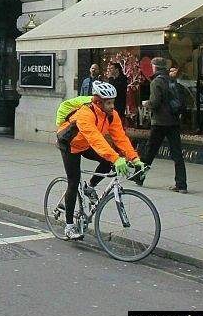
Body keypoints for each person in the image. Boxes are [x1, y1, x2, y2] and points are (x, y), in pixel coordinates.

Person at [56, 80, 145, 240]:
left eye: (113, 102)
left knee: (108, 161)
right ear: (98, 102)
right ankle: (69, 227)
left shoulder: (112, 116)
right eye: (108, 103)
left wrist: (135, 158)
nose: (112, 106)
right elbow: (96, 139)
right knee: (73, 182)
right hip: (70, 144)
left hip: (86, 143)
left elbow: (120, 138)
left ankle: (90, 187)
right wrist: (116, 158)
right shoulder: (85, 113)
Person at [136, 57, 188, 193]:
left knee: (150, 151)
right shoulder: (172, 80)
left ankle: (138, 176)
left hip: (160, 122)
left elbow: (155, 102)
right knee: (177, 154)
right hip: (174, 121)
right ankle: (181, 184)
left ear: (155, 67)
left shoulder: (156, 82)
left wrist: (146, 103)